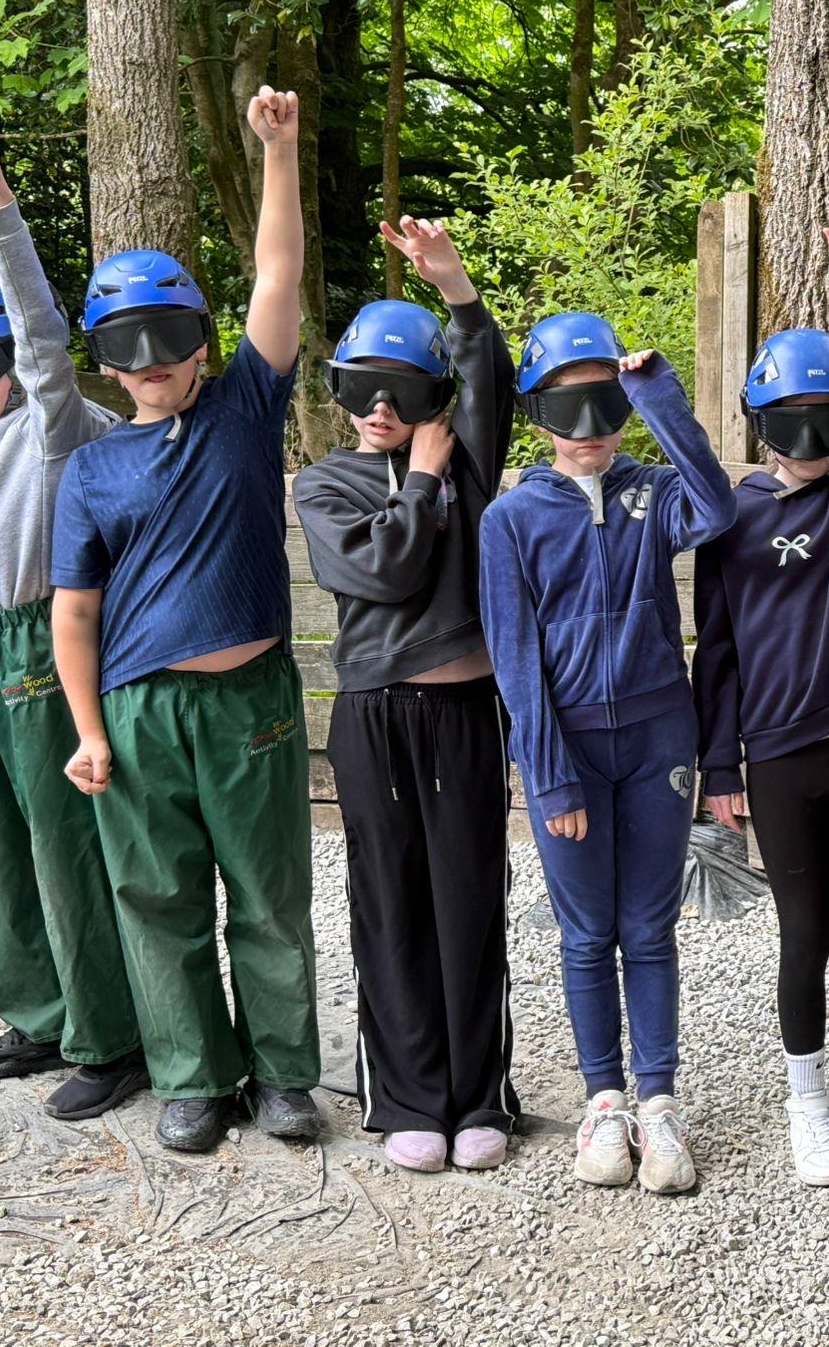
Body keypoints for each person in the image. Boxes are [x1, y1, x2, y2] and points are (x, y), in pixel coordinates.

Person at [51, 86, 321, 1155]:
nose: (149, 360)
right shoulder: (90, 470)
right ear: (105, 359)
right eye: (126, 345)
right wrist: (87, 729)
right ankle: (193, 1077)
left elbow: (278, 274)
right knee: (156, 896)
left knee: (268, 893)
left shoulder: (246, 408)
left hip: (250, 702)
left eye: (168, 336)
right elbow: (75, 610)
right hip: (138, 712)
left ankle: (284, 1075)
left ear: (202, 341)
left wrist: (278, 152)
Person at [0, 101, 142, 1119]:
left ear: (9, 350)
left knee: (61, 844)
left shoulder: (58, 423)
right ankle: (38, 1015)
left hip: (34, 653)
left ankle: (108, 1033)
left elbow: (45, 339)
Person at [480, 314, 735, 1195]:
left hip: (660, 738)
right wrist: (548, 775)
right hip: (571, 753)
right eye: (566, 409)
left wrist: (658, 395)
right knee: (587, 933)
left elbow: (718, 506)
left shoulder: (654, 495)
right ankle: (604, 1100)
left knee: (649, 927)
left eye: (605, 406)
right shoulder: (511, 519)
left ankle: (659, 1102)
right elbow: (515, 659)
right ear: (536, 414)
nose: (587, 430)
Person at [692, 200, 829, 1187]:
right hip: (775, 756)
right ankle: (805, 1102)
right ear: (762, 423)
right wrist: (717, 767)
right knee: (803, 932)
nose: (810, 437)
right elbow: (718, 652)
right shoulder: (731, 515)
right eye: (792, 420)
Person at [293, 219, 519, 1173]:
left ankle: (480, 1097)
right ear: (339, 391)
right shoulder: (324, 485)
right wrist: (420, 483)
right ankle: (408, 1097)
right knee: (389, 900)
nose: (381, 408)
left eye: (405, 392)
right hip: (376, 718)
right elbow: (385, 572)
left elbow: (492, 376)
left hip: (467, 714)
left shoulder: (468, 463)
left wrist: (456, 287)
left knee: (469, 897)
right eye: (362, 389)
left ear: (436, 398)